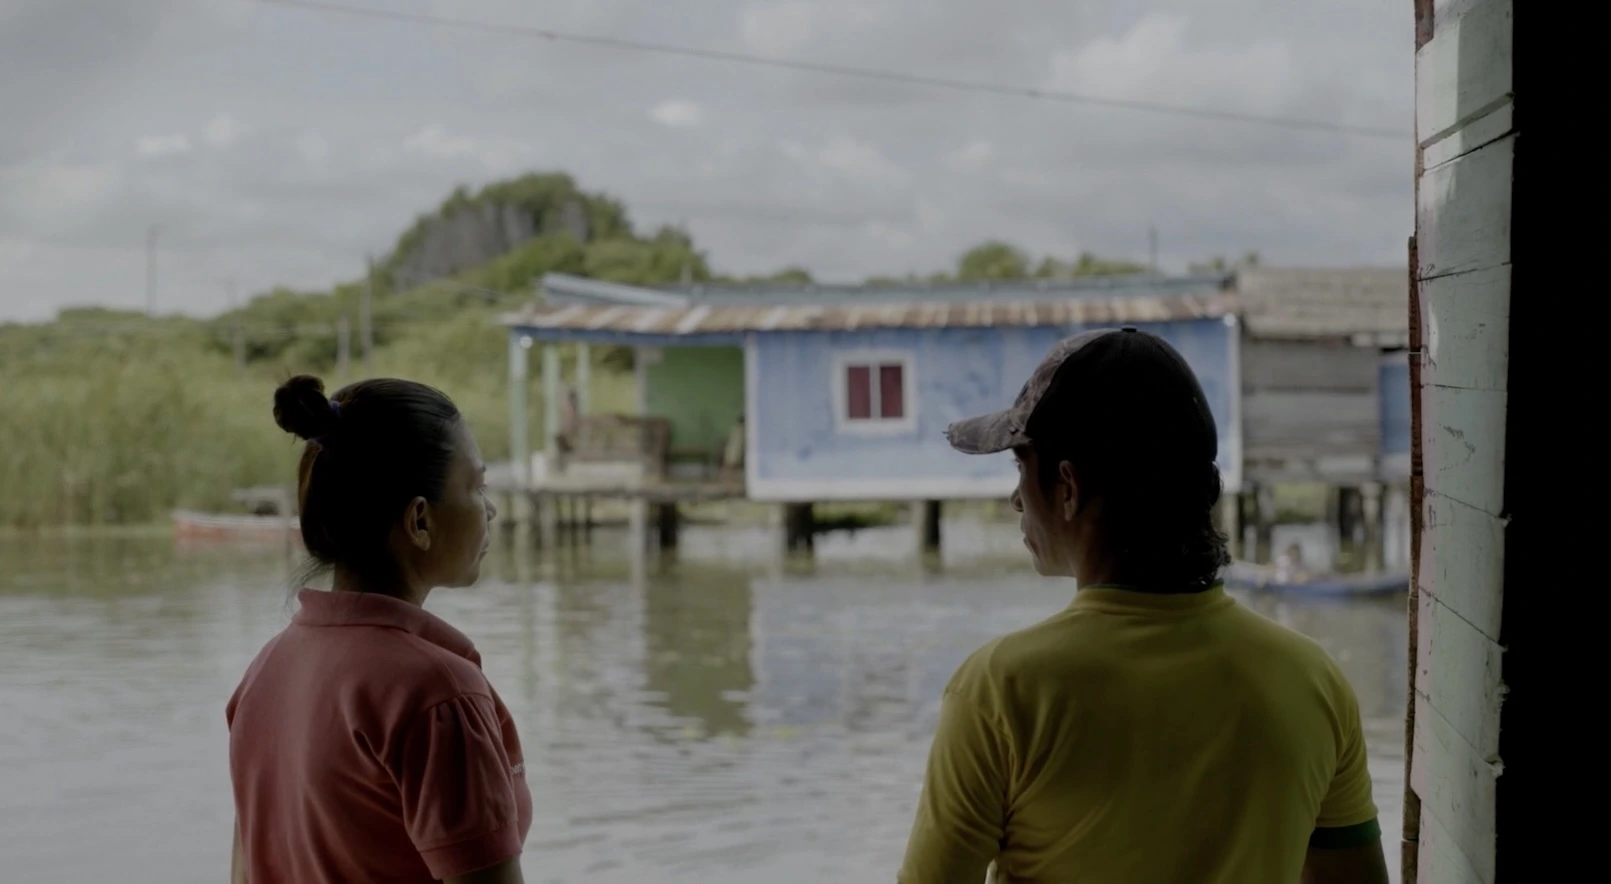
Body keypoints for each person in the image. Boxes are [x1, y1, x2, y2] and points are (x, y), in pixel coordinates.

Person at [897, 328, 1389, 884]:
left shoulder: (1001, 691)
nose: (1015, 499)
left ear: (1067, 487)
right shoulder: (1312, 681)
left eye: (1019, 469)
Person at [227, 376, 527, 884]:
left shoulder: (265, 672)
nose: (490, 509)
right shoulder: (438, 696)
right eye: (476, 488)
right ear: (419, 520)